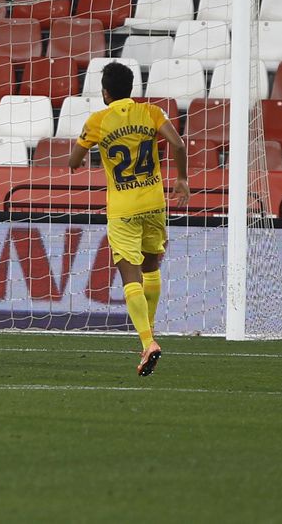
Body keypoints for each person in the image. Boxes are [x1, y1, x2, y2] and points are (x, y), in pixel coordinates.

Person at [68, 62, 191, 378]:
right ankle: (150, 328)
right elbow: (178, 143)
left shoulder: (98, 120)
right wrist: (181, 179)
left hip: (123, 209)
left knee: (130, 276)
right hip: (154, 203)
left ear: (105, 93)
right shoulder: (151, 112)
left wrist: (86, 153)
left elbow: (73, 161)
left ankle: (148, 341)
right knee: (151, 268)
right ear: (131, 88)